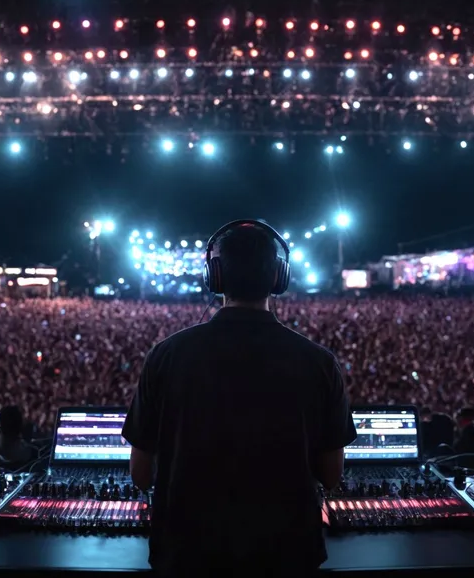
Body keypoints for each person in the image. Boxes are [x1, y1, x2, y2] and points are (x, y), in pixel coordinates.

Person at [122, 220, 357, 577]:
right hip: (287, 556)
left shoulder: (165, 356)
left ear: (213, 276)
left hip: (188, 556)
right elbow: (331, 475)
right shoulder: (320, 363)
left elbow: (141, 476)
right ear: (279, 277)